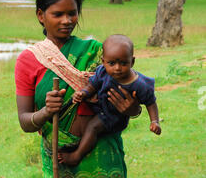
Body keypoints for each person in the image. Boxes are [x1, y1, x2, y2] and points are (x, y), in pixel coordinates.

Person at [15, 0, 142, 178]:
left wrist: (131, 108)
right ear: (40, 15)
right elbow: (24, 121)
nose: (67, 21)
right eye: (57, 14)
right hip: (59, 157)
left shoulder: (98, 52)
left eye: (72, 14)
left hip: (103, 155)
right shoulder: (28, 61)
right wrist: (46, 111)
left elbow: (134, 103)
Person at [58, 34, 161, 167]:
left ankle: (76, 156)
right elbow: (92, 85)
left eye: (123, 63)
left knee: (92, 127)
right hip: (101, 107)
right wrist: (84, 93)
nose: (117, 68)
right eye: (111, 63)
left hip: (114, 117)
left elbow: (151, 102)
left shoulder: (139, 84)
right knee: (87, 124)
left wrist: (155, 121)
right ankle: (81, 143)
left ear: (132, 61)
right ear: (103, 61)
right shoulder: (103, 72)